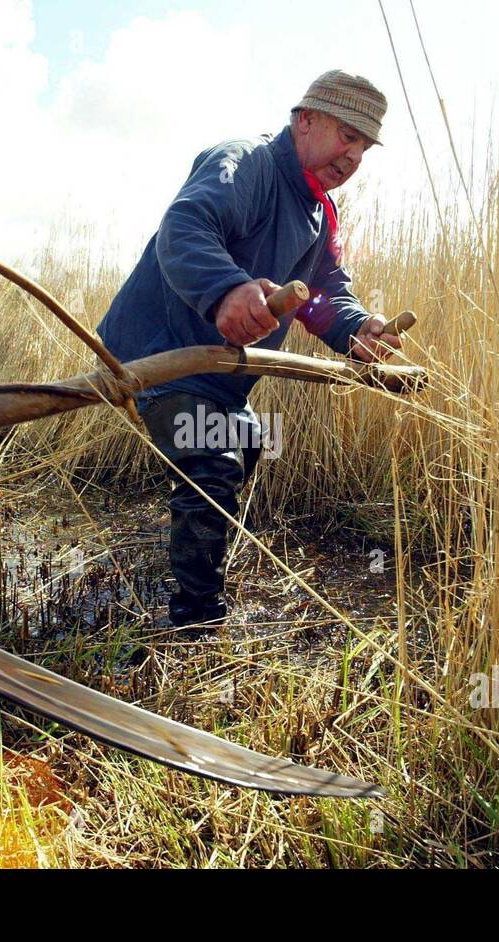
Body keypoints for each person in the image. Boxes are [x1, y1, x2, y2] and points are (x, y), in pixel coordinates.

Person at [97, 69, 402, 628]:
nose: (353, 156)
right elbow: (185, 227)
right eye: (347, 135)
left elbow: (323, 295)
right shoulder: (247, 164)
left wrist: (359, 332)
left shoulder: (319, 212)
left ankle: (192, 553)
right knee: (214, 462)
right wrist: (226, 289)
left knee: (250, 444)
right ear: (304, 120)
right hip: (156, 355)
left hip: (222, 377)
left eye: (363, 146)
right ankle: (196, 623)